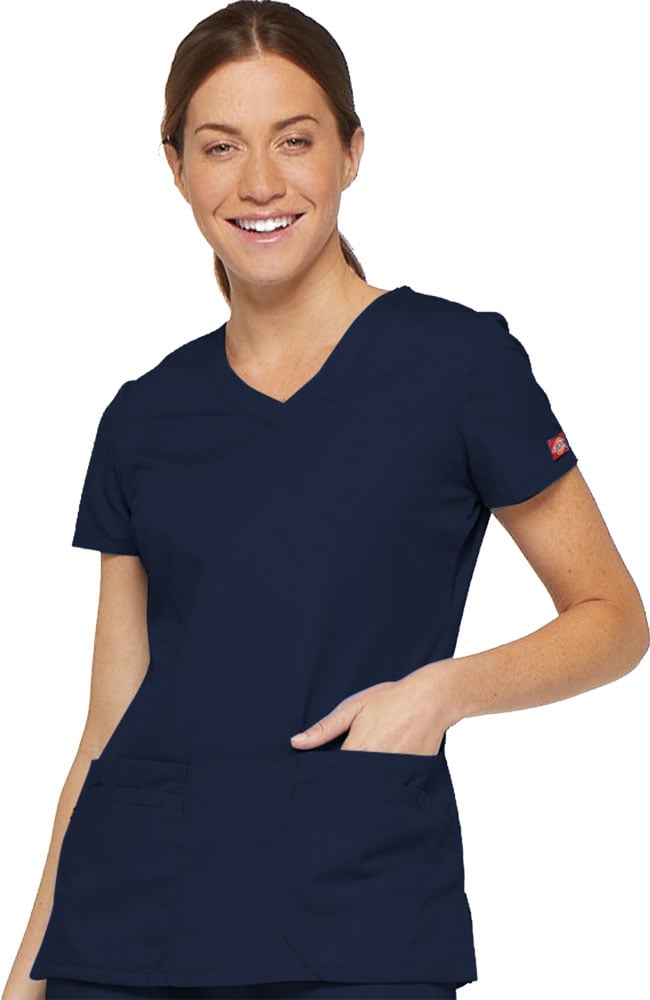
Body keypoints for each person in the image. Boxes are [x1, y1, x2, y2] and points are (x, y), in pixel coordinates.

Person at [3, 2, 647, 998]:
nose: (260, 182)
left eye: (295, 140)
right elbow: (108, 722)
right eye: (220, 146)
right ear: (175, 167)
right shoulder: (143, 416)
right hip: (125, 931)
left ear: (351, 152)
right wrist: (28, 969)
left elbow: (612, 618)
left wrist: (439, 692)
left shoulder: (458, 365)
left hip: (354, 921)